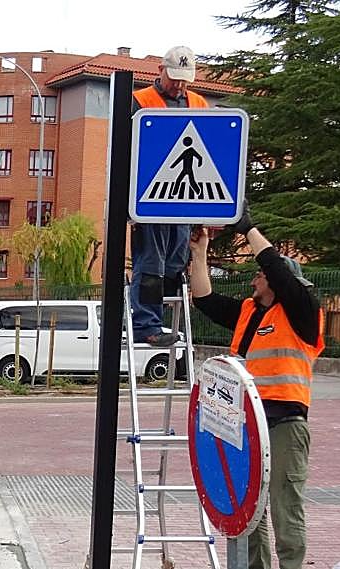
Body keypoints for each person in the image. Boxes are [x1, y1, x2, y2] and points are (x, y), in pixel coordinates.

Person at [188, 212, 325, 569]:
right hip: (247, 426)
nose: (254, 280)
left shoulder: (301, 312)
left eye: (260, 276)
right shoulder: (251, 312)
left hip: (284, 424)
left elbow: (277, 270)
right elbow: (206, 301)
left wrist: (245, 226)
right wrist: (200, 253)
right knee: (251, 508)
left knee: (285, 506)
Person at [130, 45, 210, 346]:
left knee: (176, 261)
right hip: (151, 199)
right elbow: (129, 154)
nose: (178, 85)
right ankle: (146, 324)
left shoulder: (199, 104)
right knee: (152, 260)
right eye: (174, 78)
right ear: (159, 71)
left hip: (185, 200)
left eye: (184, 79)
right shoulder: (140, 101)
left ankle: (166, 319)